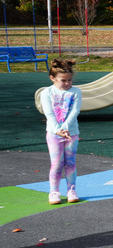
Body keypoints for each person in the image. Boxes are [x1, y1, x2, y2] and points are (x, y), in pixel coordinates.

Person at [39, 59, 83, 204]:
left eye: (69, 80)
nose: (67, 83)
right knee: (57, 163)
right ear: (53, 78)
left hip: (71, 133)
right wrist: (58, 130)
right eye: (63, 80)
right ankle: (54, 192)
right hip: (53, 134)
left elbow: (75, 111)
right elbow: (49, 114)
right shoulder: (47, 93)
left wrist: (65, 128)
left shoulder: (76, 92)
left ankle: (71, 190)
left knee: (70, 162)